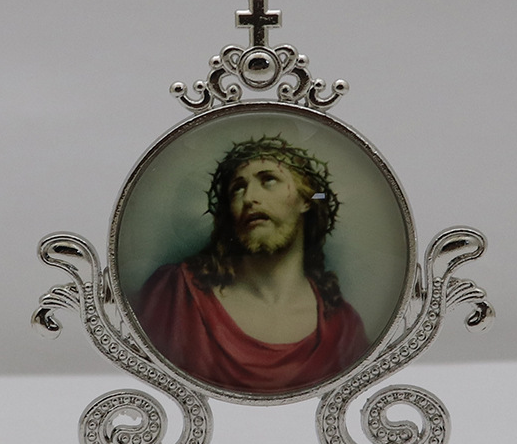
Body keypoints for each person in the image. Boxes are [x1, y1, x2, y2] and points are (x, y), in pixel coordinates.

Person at [130, 135, 368, 395]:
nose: (249, 198)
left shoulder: (343, 328)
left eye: (269, 180)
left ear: (305, 200)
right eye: (238, 189)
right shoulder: (176, 292)